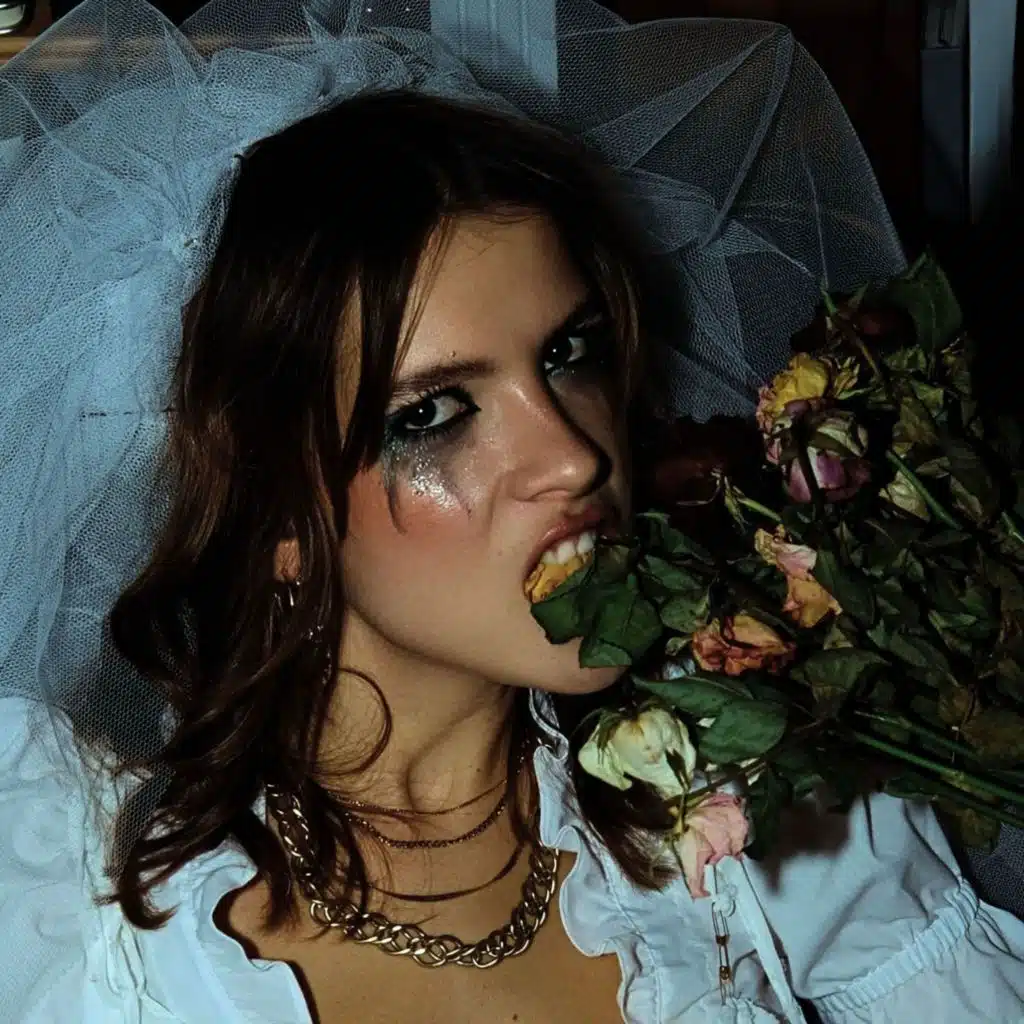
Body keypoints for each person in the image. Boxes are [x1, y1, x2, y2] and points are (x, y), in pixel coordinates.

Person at [1, 1, 1022, 1022]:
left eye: (569, 354)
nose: (575, 456)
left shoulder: (754, 791)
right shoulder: (85, 921)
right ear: (275, 513)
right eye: (433, 414)